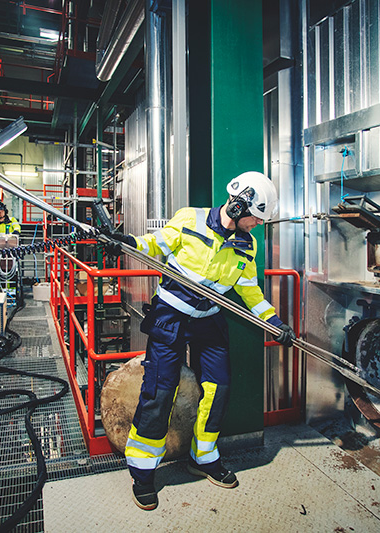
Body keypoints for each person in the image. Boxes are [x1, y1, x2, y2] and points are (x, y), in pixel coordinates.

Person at [105, 171, 297, 511]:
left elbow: (250, 292)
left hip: (209, 319)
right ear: (238, 207)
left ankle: (204, 457)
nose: (257, 225)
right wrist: (128, 241)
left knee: (218, 387)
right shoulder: (190, 219)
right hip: (171, 314)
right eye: (255, 218)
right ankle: (143, 472)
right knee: (160, 390)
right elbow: (156, 243)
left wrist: (275, 323)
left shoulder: (247, 245)